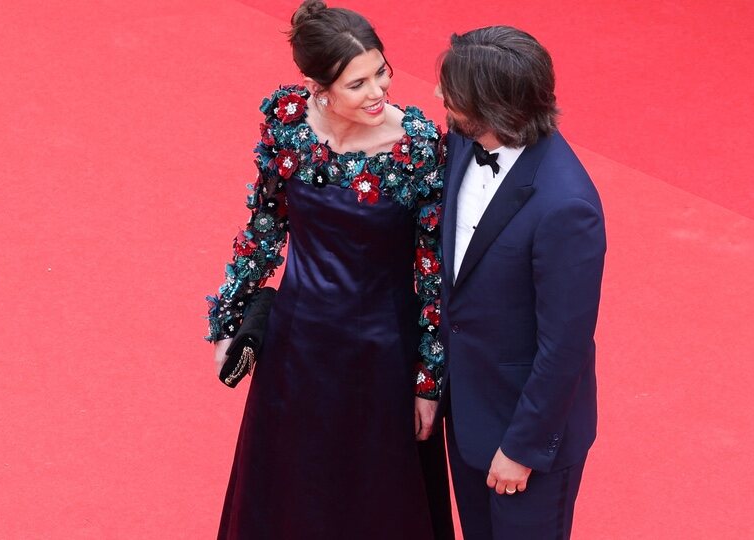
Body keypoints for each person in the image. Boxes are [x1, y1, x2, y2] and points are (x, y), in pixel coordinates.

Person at [206, 2, 452, 538]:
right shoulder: (289, 123)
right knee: (291, 493)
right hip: (296, 351)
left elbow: (434, 274)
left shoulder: (418, 147)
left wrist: (429, 382)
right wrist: (229, 322)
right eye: (357, 82)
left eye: (381, 72)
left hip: (380, 356)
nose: (379, 92)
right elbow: (264, 227)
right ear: (318, 85)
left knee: (374, 502)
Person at [435, 26, 606, 540]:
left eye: (453, 93)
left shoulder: (566, 206)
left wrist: (521, 449)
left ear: (492, 108)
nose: (439, 98)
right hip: (466, 411)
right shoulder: (463, 143)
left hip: (525, 439)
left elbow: (565, 347)